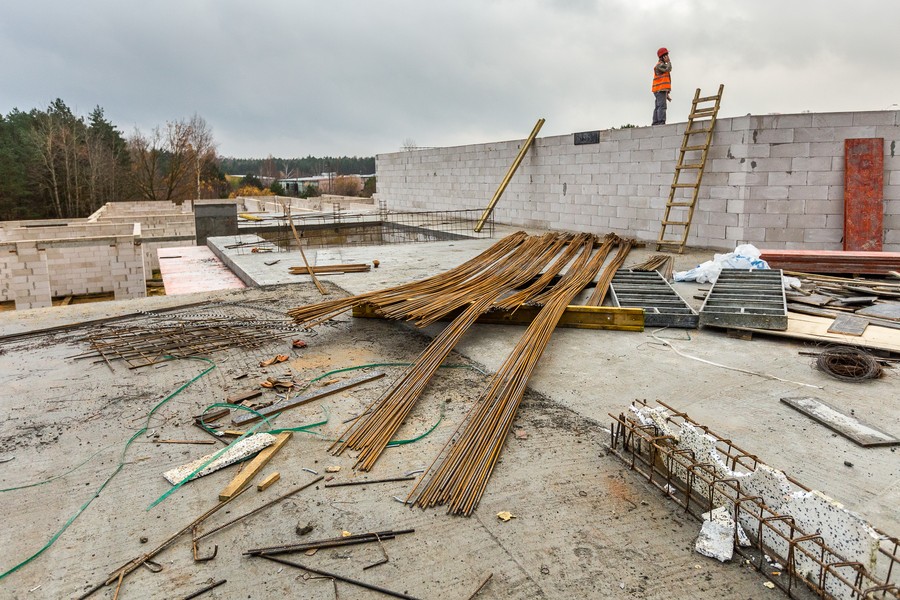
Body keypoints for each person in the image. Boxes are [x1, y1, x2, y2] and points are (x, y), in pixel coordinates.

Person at [652, 47, 672, 125]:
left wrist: (666, 94)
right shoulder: (660, 65)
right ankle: (660, 122)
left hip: (660, 90)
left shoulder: (661, 65)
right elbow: (668, 68)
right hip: (659, 90)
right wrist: (668, 61)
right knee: (662, 106)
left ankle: (656, 122)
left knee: (658, 106)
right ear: (663, 56)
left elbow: (663, 80)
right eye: (666, 55)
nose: (668, 56)